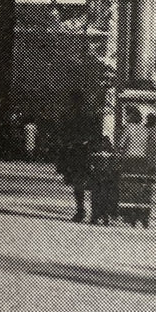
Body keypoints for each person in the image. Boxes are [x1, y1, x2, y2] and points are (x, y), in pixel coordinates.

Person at [56, 94, 96, 223]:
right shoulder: (89, 114)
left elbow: (63, 134)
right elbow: (95, 133)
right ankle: (92, 211)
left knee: (78, 183)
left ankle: (80, 209)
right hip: (86, 152)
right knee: (89, 183)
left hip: (75, 152)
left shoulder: (69, 115)